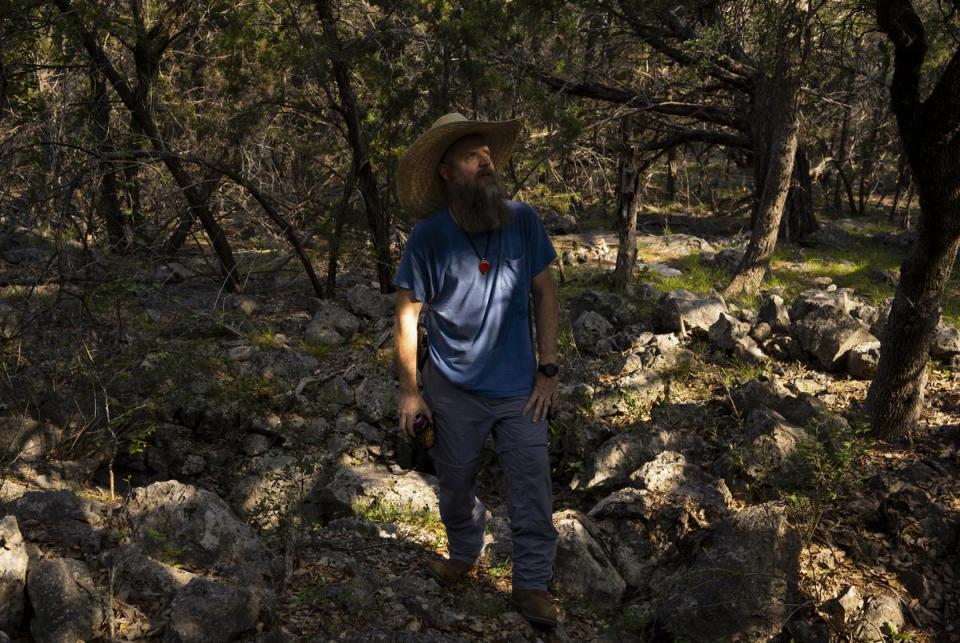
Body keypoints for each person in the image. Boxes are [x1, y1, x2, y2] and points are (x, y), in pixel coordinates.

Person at [393, 112, 561, 627]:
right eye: (472, 156)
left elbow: (546, 291)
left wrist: (548, 371)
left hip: (519, 392)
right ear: (447, 173)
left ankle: (532, 585)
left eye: (487, 154)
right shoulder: (428, 237)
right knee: (456, 486)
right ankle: (465, 553)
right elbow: (407, 314)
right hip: (452, 390)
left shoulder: (523, 220)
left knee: (532, 487)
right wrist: (410, 392)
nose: (486, 161)